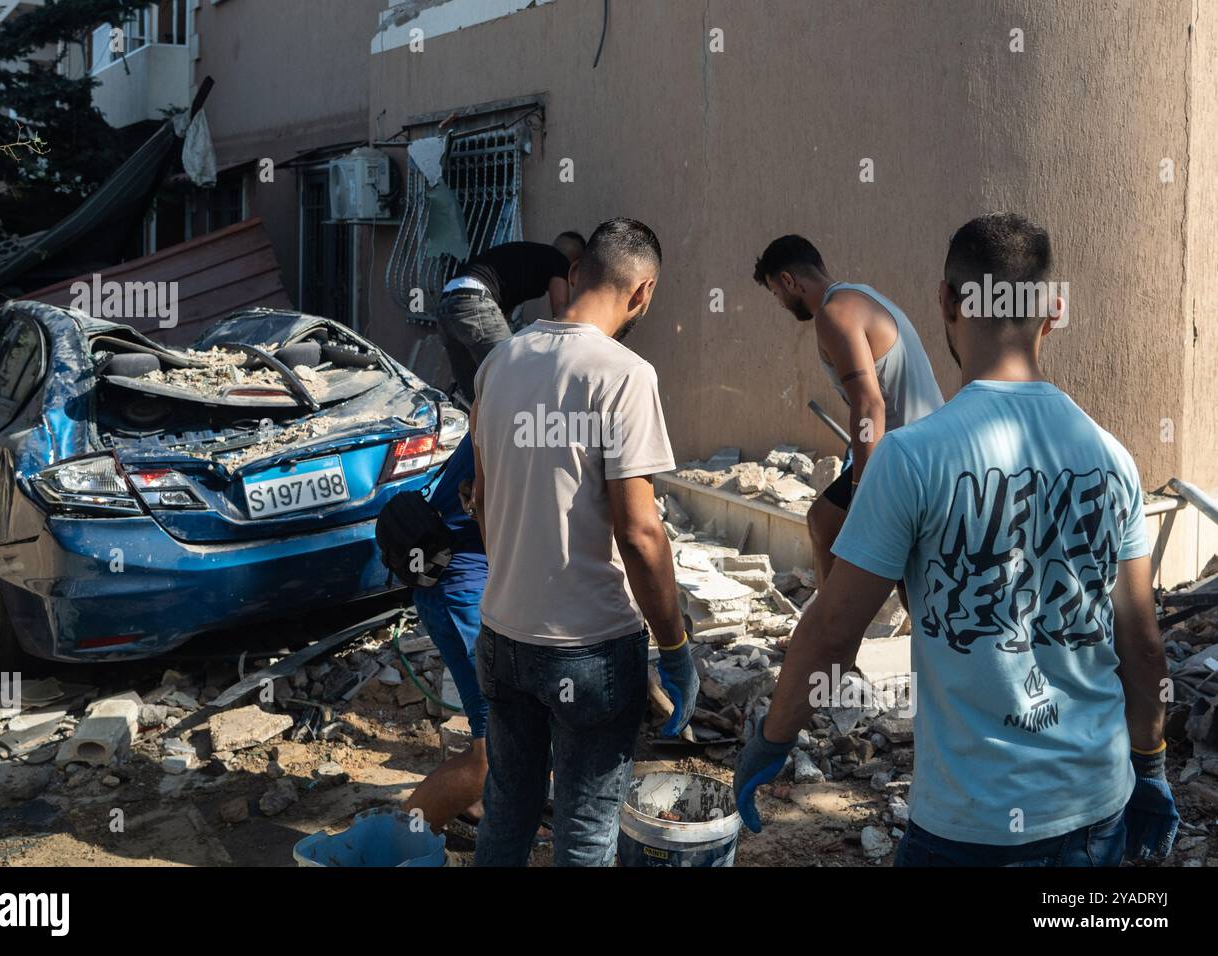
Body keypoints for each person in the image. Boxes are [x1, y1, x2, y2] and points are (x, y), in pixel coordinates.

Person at [735, 213, 1178, 866]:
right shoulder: (1112, 459)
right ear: (1052, 312)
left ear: (946, 300)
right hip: (1095, 814)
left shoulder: (911, 460)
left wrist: (772, 742)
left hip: (970, 829)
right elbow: (1140, 642)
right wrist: (1152, 766)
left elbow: (832, 630)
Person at [467, 218, 698, 866]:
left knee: (507, 810)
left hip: (502, 637)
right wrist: (675, 647)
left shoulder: (499, 362)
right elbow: (640, 531)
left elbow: (482, 502)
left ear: (574, 277)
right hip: (589, 651)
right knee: (585, 832)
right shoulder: (624, 375)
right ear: (643, 291)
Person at [753, 236, 943, 588]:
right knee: (902, 569)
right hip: (928, 446)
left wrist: (862, 489)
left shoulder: (833, 313)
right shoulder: (861, 295)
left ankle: (827, 637)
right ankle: (829, 631)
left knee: (826, 524)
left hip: (911, 455)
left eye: (775, 293)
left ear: (789, 280)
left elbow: (869, 403)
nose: (779, 302)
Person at [401, 432, 489, 831]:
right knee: (496, 748)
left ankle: (475, 804)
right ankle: (396, 843)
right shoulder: (520, 411)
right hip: (460, 587)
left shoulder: (512, 395)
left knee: (494, 726)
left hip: (460, 578)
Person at [436, 233, 586, 405]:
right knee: (513, 376)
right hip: (475, 301)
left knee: (476, 394)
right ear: (575, 264)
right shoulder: (559, 260)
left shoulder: (526, 259)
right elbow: (561, 313)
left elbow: (500, 315)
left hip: (446, 305)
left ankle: (482, 429)